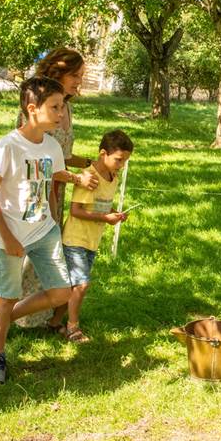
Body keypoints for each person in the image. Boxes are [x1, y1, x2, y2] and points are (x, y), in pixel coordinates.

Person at [0, 48, 97, 334]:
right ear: (58, 72)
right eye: (76, 75)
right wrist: (69, 181)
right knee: (10, 259)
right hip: (24, 198)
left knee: (37, 262)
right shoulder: (35, 110)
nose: (79, 82)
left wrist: (85, 165)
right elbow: (26, 154)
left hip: (49, 196)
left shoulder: (65, 108)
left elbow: (57, 154)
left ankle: (7, 320)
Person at [0, 76, 93, 385]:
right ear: (32, 108)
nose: (61, 113)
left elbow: (53, 178)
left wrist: (69, 190)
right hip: (10, 233)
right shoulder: (8, 146)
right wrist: (8, 236)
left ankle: (0, 320)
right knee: (6, 297)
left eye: (62, 107)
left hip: (44, 230)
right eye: (54, 107)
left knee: (60, 293)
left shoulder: (52, 145)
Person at [57, 130, 134, 343]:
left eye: (125, 160)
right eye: (119, 160)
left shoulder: (113, 177)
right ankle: (73, 328)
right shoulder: (89, 177)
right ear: (103, 153)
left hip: (92, 239)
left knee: (74, 286)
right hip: (75, 238)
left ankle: (55, 322)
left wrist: (114, 216)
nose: (122, 165)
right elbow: (76, 210)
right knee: (81, 285)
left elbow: (103, 206)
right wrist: (104, 217)